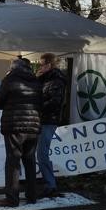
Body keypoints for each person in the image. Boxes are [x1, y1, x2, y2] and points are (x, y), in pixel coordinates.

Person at [0, 59, 43, 207]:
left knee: (13, 162)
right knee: (30, 160)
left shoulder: (10, 79)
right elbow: (41, 101)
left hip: (15, 125)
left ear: (13, 68)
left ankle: (12, 198)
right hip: (33, 125)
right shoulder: (36, 81)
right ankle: (32, 195)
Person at [36, 53, 66, 198]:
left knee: (42, 153)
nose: (39, 67)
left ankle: (50, 184)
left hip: (48, 120)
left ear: (48, 65)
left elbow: (55, 102)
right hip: (44, 119)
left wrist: (38, 107)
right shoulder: (46, 79)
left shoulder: (56, 80)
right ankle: (49, 183)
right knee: (41, 153)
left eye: (41, 64)